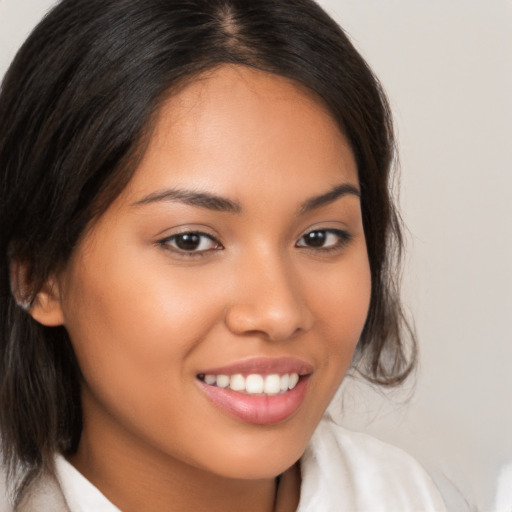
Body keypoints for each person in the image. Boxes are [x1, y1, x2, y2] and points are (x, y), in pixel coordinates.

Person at [0, 0, 447, 510]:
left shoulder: (409, 494)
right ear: (37, 276)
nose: (280, 312)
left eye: (320, 237)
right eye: (190, 241)